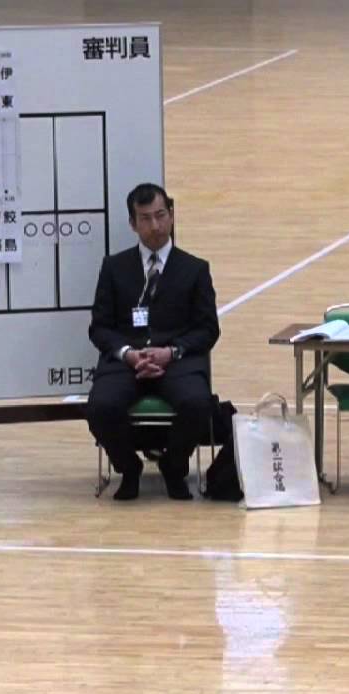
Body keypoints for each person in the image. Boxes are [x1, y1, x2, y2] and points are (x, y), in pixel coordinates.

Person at [86, 183, 220, 501]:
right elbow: (100, 328)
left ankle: (174, 468)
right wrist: (129, 354)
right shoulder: (113, 268)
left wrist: (171, 352)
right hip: (126, 363)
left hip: (177, 362)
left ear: (172, 216)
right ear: (133, 224)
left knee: (197, 405)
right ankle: (128, 468)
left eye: (161, 215)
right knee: (100, 407)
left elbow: (208, 329)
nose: (155, 226)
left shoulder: (195, 269)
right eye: (145, 218)